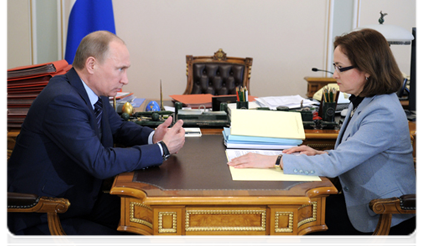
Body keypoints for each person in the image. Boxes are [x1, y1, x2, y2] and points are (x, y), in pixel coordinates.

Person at [228, 28, 419, 246]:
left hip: (380, 215)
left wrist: (275, 160)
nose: (334, 75)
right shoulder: (366, 100)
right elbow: (354, 153)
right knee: (280, 223)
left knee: (282, 230)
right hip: (358, 201)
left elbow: (337, 164)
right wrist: (320, 153)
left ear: (367, 69)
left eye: (340, 67)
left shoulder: (382, 111)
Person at [5, 30, 186, 245]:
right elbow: (100, 162)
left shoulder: (91, 92)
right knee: (129, 239)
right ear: (91, 65)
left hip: (80, 199)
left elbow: (118, 128)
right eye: (120, 69)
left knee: (151, 221)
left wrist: (153, 136)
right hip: (44, 213)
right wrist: (161, 149)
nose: (125, 79)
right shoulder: (62, 100)